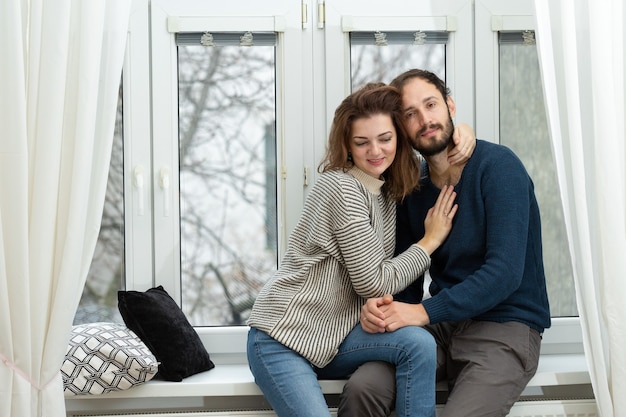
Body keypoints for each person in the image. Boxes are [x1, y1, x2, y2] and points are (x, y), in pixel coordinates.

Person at [246, 82, 475, 417]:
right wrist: (429, 241)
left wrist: (462, 133)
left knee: (419, 344)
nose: (376, 151)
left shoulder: (384, 190)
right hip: (282, 339)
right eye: (361, 142)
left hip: (331, 337)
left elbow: (429, 140)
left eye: (385, 139)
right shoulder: (341, 187)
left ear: (399, 137)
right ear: (347, 146)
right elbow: (373, 284)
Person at [338, 69, 551, 417]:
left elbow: (505, 273)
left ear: (450, 105)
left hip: (505, 328)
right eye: (410, 114)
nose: (424, 119)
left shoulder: (499, 167)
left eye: (431, 104)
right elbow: (406, 282)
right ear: (401, 130)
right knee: (364, 389)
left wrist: (422, 312)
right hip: (442, 327)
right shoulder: (413, 191)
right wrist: (383, 309)